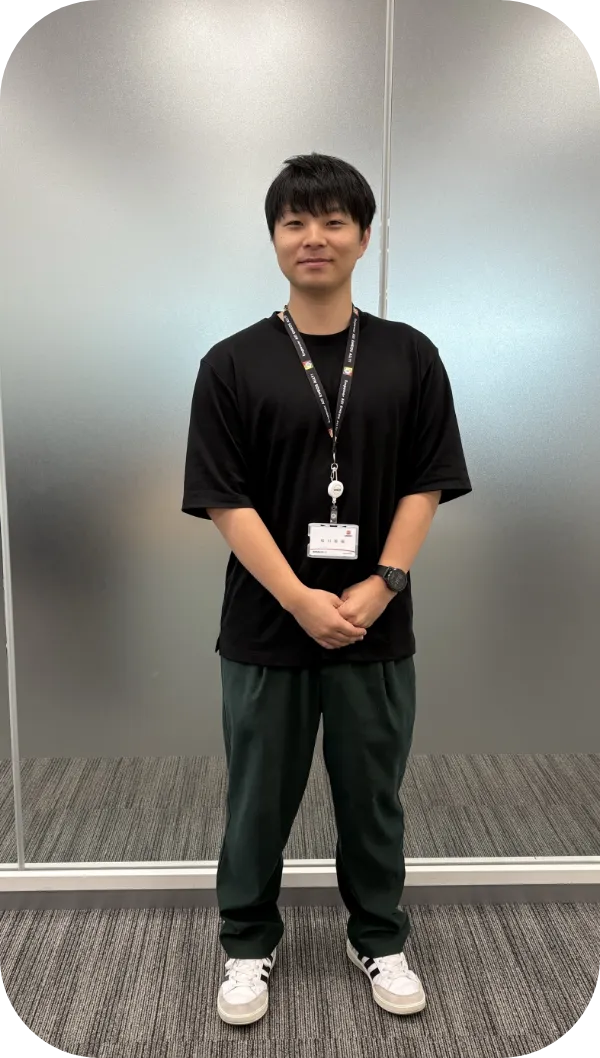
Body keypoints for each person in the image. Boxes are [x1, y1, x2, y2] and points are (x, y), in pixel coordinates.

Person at [182, 152, 472, 1026]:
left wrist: (383, 583)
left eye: (334, 220)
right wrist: (300, 599)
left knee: (372, 796)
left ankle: (379, 935)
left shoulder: (409, 355)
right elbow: (224, 499)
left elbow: (426, 482)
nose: (315, 237)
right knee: (256, 800)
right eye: (295, 221)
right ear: (274, 239)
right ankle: (246, 944)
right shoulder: (232, 363)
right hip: (266, 627)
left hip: (374, 625)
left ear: (363, 237)